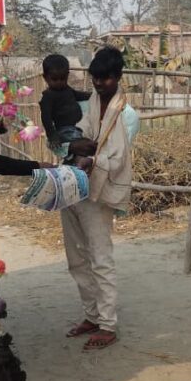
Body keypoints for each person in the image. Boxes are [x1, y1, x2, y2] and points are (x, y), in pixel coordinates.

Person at [63, 46, 139, 351]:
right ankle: (91, 316)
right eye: (95, 79)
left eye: (104, 80)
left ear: (117, 78)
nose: (98, 84)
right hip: (76, 187)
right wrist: (75, 143)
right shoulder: (93, 101)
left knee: (100, 258)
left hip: (100, 191)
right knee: (76, 258)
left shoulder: (126, 113)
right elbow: (84, 134)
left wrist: (93, 159)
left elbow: (118, 157)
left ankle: (107, 324)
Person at [39, 53, 92, 154]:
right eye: (54, 79)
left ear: (67, 75)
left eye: (62, 78)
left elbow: (78, 95)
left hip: (76, 127)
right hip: (64, 131)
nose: (59, 82)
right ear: (45, 78)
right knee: (84, 146)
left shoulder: (67, 89)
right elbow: (46, 118)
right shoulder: (48, 96)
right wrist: (52, 136)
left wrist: (93, 95)